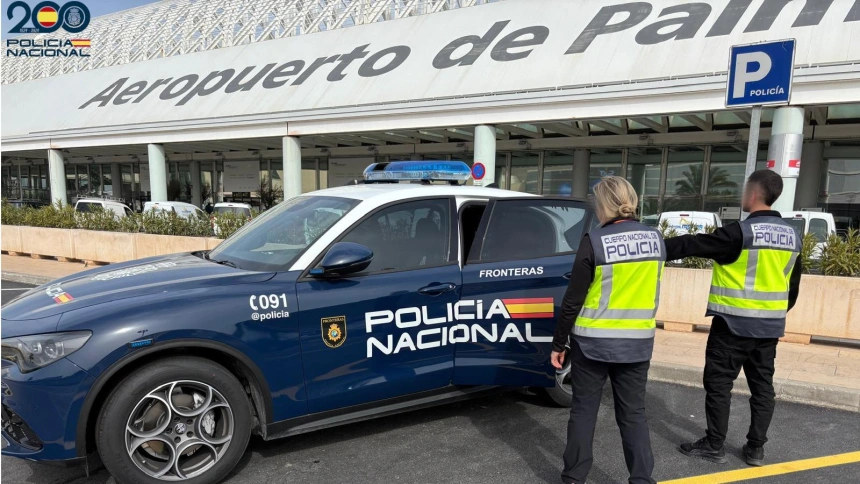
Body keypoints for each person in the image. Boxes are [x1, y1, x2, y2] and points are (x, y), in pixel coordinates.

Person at [666, 169, 801, 466]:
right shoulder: (792, 236)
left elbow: (694, 244)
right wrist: (771, 312)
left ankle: (715, 444)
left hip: (732, 326)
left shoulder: (741, 232)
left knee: (719, 384)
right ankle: (755, 449)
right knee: (762, 388)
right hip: (768, 327)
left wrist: (657, 248)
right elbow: (793, 288)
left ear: (753, 193)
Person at [552, 176, 665, 484]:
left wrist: (558, 344)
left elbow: (573, 300)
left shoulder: (594, 240)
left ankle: (574, 478)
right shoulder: (656, 240)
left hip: (593, 343)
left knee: (584, 412)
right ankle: (641, 480)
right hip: (637, 343)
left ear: (603, 205)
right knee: (633, 414)